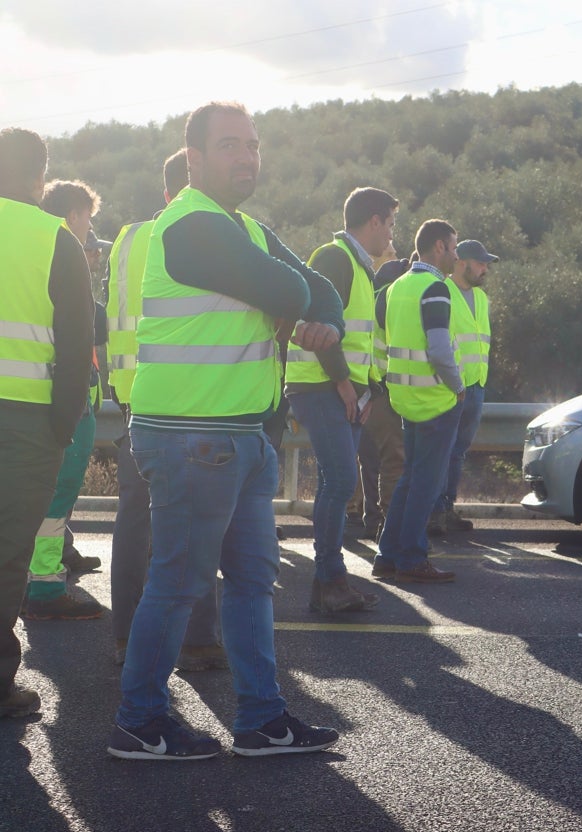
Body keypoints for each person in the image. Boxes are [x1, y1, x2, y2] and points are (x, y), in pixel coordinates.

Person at [108, 101, 344, 760]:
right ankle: (139, 720)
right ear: (195, 159)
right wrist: (297, 305)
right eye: (231, 145)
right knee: (180, 584)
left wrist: (323, 321)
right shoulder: (191, 227)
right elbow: (294, 294)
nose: (247, 157)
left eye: (254, 145)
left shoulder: (245, 228)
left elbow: (321, 293)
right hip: (191, 436)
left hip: (241, 435)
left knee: (249, 582)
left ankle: (262, 721)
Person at [106, 149, 225, 669]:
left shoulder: (128, 239)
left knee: (134, 518)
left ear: (164, 191)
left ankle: (126, 636)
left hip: (135, 396)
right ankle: (197, 642)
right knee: (198, 520)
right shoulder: (206, 232)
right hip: (190, 396)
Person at [0, 127, 94, 716]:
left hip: (29, 424)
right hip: (28, 425)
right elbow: (77, 341)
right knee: (8, 555)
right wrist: (62, 430)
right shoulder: (54, 239)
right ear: (41, 178)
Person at [286, 186, 397, 612]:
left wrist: (366, 390)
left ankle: (330, 582)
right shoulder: (335, 257)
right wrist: (345, 384)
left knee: (340, 481)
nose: (391, 233)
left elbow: (358, 341)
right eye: (389, 223)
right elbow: (320, 325)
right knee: (340, 481)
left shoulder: (360, 265)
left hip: (343, 389)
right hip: (321, 386)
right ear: (373, 221)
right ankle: (329, 580)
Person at [21, 180, 107, 620]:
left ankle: (51, 567)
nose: (89, 230)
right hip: (54, 404)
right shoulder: (57, 248)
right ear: (73, 214)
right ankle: (45, 590)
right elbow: (72, 342)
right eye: (88, 219)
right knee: (52, 501)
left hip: (39, 400)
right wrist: (67, 418)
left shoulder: (30, 245)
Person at [372, 220, 464, 584]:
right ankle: (411, 557)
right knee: (425, 483)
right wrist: (458, 387)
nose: (456, 256)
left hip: (405, 398)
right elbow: (440, 350)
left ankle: (387, 555)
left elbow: (381, 343)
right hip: (436, 400)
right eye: (454, 248)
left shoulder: (397, 287)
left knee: (410, 479)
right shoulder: (436, 289)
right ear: (439, 247)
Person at [428, 239, 499, 536]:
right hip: (451, 387)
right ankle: (434, 513)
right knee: (441, 451)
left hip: (476, 386)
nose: (485, 269)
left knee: (457, 453)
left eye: (486, 264)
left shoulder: (481, 299)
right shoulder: (442, 291)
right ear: (462, 262)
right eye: (480, 263)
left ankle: (447, 508)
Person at [360, 256, 410, 541]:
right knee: (393, 461)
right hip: (384, 390)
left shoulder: (372, 299)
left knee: (370, 461)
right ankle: (388, 530)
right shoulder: (389, 300)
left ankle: (373, 521)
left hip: (367, 388)